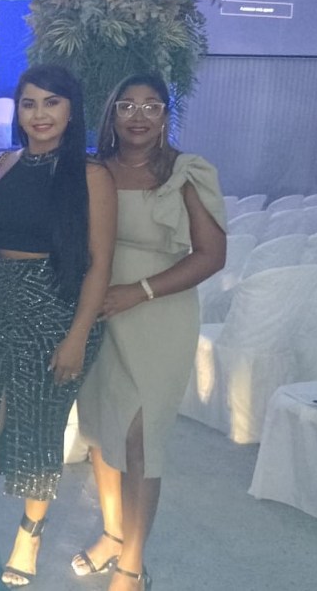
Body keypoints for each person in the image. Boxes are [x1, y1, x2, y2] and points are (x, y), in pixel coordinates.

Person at [0, 64, 116, 589]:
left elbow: (100, 265)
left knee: (39, 427)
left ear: (71, 110)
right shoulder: (4, 164)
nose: (39, 114)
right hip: (5, 302)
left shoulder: (91, 175)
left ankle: (28, 538)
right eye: (29, 103)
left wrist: (77, 336)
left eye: (52, 103)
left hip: (61, 308)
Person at [72, 74, 226, 591]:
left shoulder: (185, 173)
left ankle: (132, 565)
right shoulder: (95, 170)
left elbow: (212, 255)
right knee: (101, 427)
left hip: (159, 315)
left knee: (141, 440)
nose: (138, 116)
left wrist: (139, 291)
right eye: (127, 105)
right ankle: (112, 534)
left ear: (165, 115)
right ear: (112, 114)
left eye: (151, 106)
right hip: (99, 310)